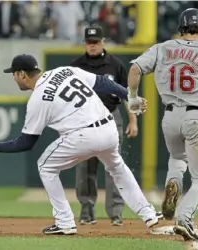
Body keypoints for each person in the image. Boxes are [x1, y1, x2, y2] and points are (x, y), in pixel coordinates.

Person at [0, 53, 159, 235]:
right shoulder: (65, 71)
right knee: (117, 167)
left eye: (14, 74)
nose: (14, 78)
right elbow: (103, 82)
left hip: (83, 136)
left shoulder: (37, 99)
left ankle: (64, 222)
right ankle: (148, 214)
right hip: (108, 128)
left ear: (22, 74)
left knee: (45, 167)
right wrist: (129, 96)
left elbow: (25, 143)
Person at [127, 8, 198, 241]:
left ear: (181, 27)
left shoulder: (163, 48)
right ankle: (184, 218)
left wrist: (133, 98)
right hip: (196, 116)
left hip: (169, 117)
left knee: (177, 158)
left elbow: (135, 69)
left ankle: (173, 182)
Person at [70, 25, 138, 226]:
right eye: (89, 42)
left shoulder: (115, 65)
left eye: (96, 42)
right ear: (85, 43)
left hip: (110, 116)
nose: (92, 46)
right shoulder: (75, 66)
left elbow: (129, 95)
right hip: (84, 120)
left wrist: (133, 120)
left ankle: (115, 213)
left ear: (103, 42)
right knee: (85, 168)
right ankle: (86, 212)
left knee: (114, 167)